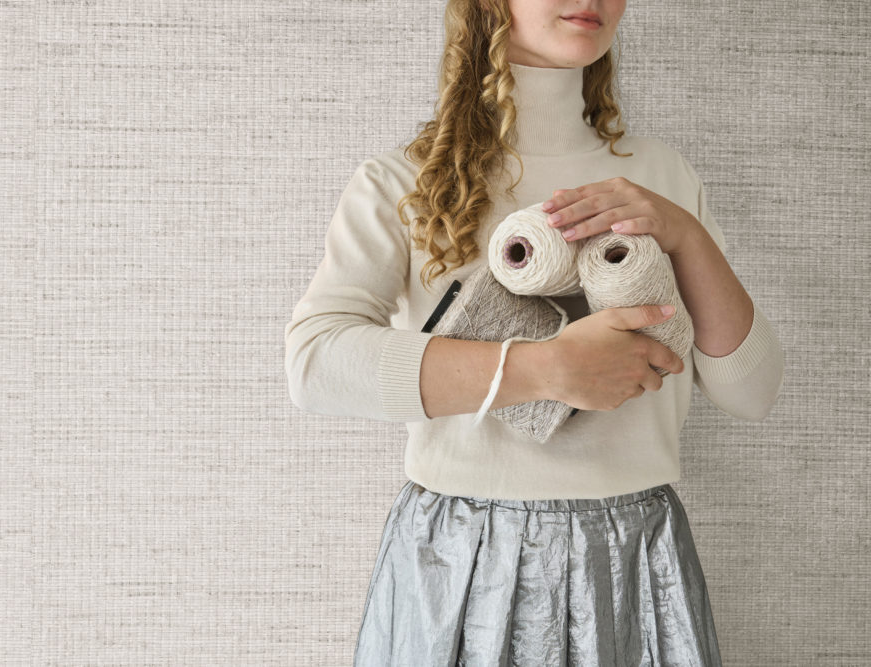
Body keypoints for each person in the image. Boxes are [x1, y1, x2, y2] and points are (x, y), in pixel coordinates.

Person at [284, 0, 784, 664]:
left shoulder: (661, 179)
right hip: (462, 564)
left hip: (635, 559)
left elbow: (752, 392)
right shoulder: (404, 181)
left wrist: (686, 236)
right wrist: (546, 370)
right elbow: (315, 364)